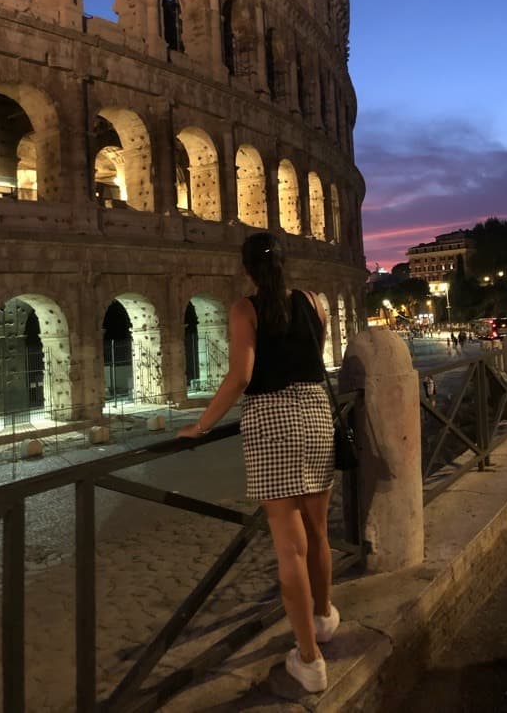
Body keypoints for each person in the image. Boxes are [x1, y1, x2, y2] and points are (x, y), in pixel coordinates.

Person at [177, 232, 338, 693]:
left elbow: (242, 376)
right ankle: (324, 619)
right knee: (320, 533)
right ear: (286, 265)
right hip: (315, 413)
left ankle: (310, 660)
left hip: (270, 421)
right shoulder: (314, 301)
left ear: (246, 269)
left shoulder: (244, 310)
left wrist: (203, 425)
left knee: (291, 549)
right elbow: (313, 356)